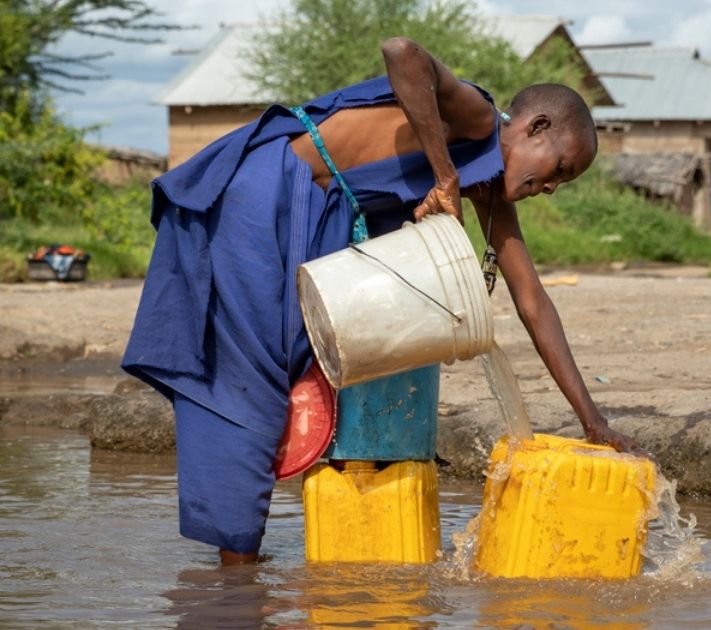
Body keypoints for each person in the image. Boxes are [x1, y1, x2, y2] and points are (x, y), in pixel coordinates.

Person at [122, 38, 641, 565]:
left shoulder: (488, 196)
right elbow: (402, 53)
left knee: (291, 372)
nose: (551, 186)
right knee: (250, 382)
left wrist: (592, 421)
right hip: (265, 196)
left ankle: (238, 570)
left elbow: (534, 304)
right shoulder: (479, 119)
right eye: (559, 168)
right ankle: (235, 583)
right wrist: (443, 173)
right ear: (535, 127)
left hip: (305, 215)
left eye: (561, 183)